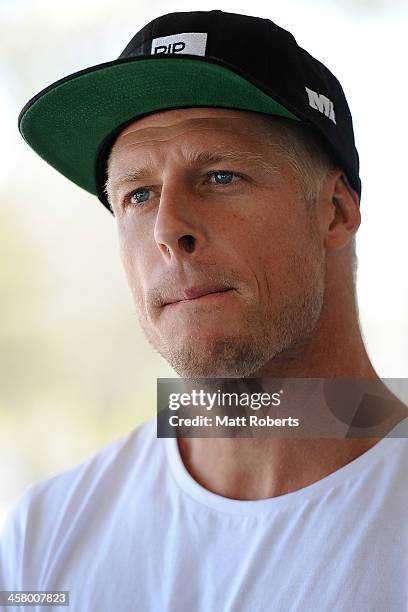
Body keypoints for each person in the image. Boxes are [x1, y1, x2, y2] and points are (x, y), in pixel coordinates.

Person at [1, 9, 408, 611]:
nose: (168, 229)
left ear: (336, 212)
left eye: (220, 175)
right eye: (137, 194)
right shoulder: (45, 537)